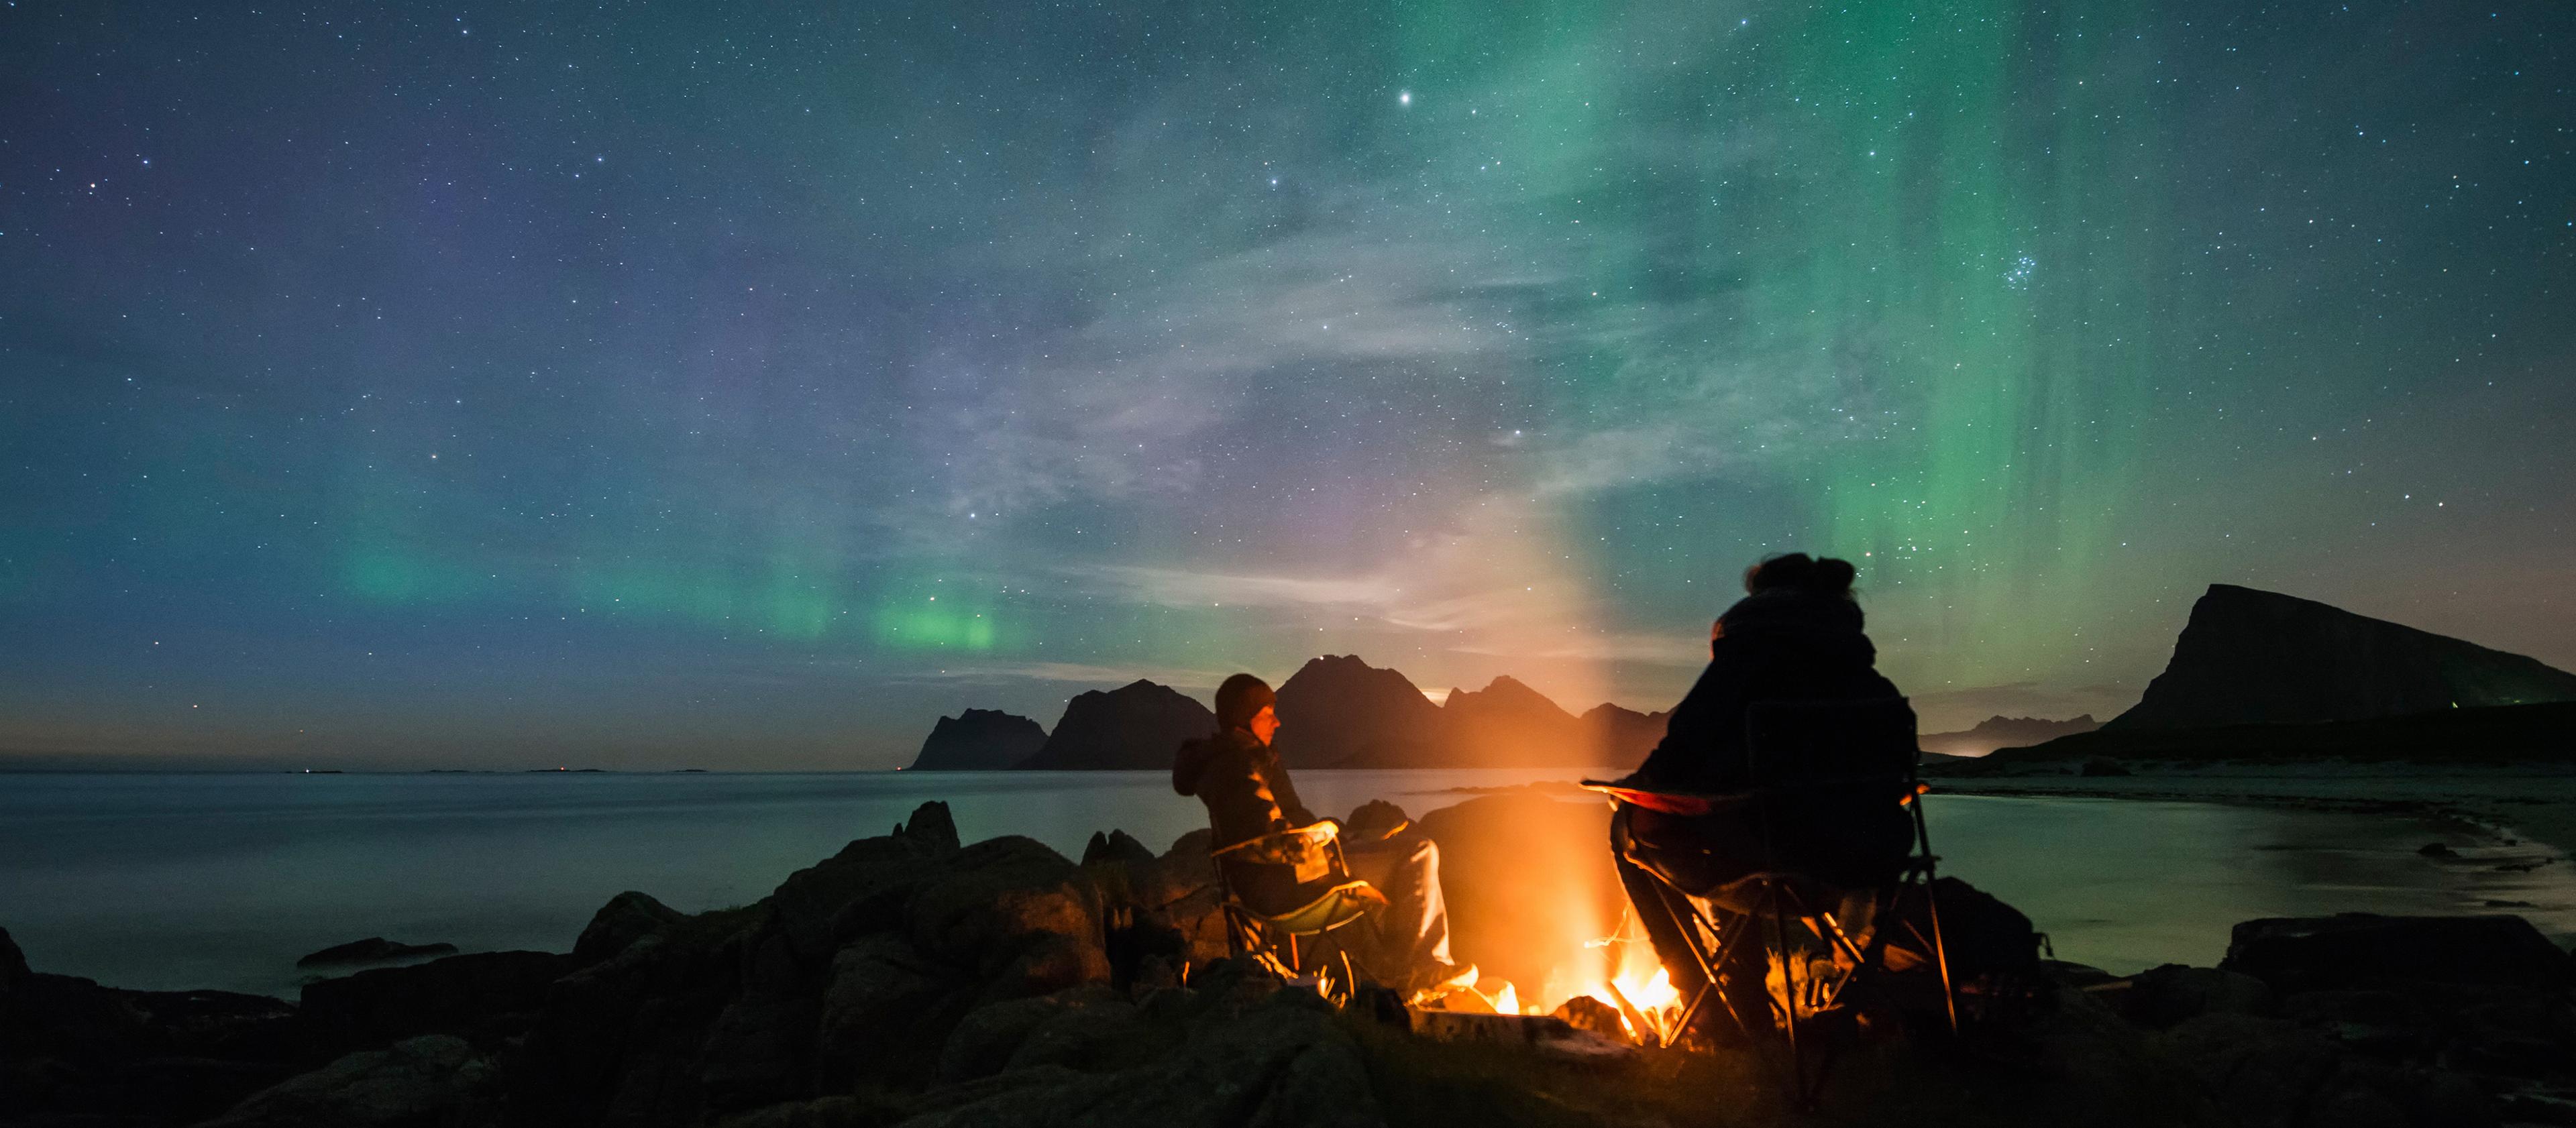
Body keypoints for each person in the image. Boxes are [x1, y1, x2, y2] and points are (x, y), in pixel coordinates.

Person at [1607, 553, 1907, 1036]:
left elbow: (1679, 753)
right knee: (1734, 819)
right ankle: (1838, 1000)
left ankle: (1711, 1004)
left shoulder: (1744, 660)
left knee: (1632, 825)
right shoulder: (1871, 683)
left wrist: (1639, 791)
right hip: (1863, 866)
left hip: (1773, 857)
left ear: (1759, 601)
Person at [1173, 673, 1460, 992]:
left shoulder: (1241, 761)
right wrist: (1324, 836)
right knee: (1418, 851)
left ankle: (1395, 974)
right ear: (1246, 719)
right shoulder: (1237, 767)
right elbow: (1274, 839)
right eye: (1268, 715)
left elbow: (1279, 826)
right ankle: (1426, 967)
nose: (1277, 723)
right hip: (1292, 886)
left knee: (1384, 843)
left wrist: (1340, 834)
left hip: (1284, 880)